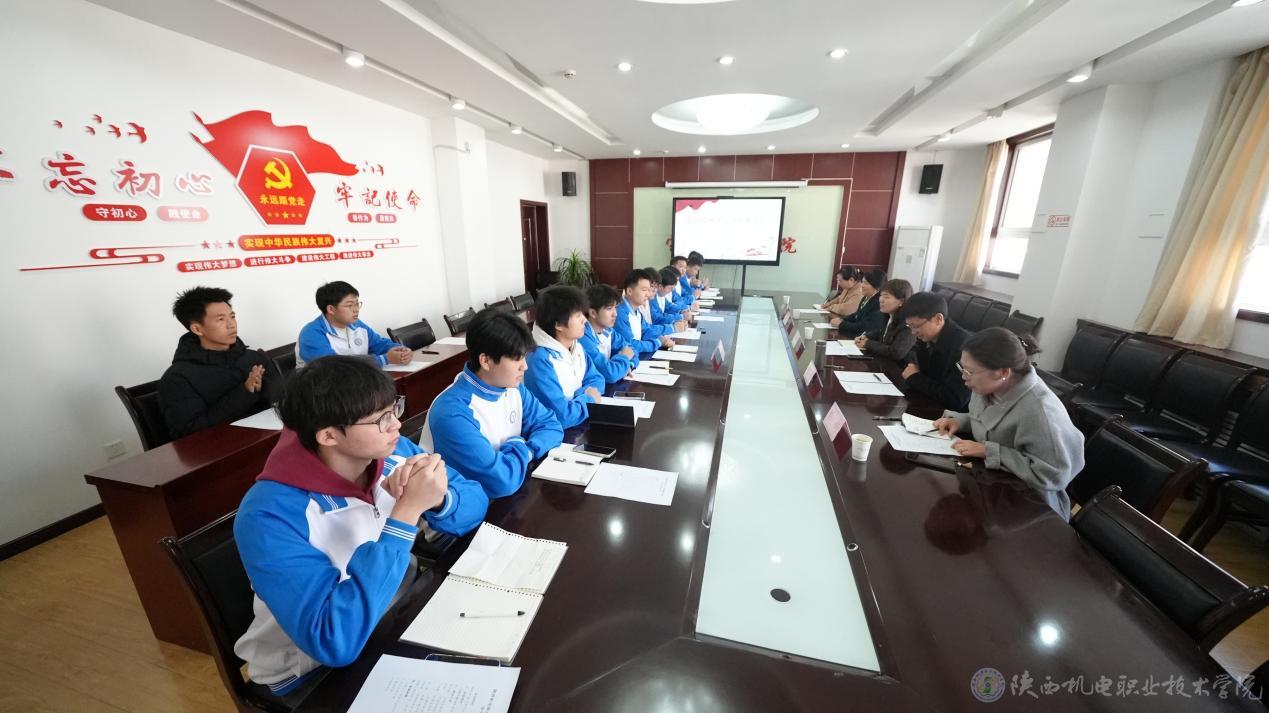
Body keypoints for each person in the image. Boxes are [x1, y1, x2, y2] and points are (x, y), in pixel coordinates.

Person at [233, 356, 488, 702]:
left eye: (394, 408)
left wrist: (440, 499)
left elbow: (475, 499)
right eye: (381, 419)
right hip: (310, 674)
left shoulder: (392, 451)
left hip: (394, 618)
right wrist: (406, 513)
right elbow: (332, 641)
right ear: (328, 435)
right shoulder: (268, 515)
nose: (396, 424)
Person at [932, 328, 1084, 520]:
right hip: (992, 486)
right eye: (962, 368)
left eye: (969, 371)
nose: (963, 376)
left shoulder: (1041, 412)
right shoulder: (986, 386)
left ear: (1003, 372)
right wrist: (959, 421)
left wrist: (989, 451)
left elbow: (1054, 476)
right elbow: (988, 421)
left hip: (1030, 508)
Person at [420, 309, 564, 498]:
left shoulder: (512, 388)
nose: (525, 366)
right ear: (486, 361)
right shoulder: (452, 412)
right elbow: (502, 481)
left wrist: (526, 449)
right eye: (517, 358)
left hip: (506, 495)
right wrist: (520, 444)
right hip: (467, 508)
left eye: (524, 356)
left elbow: (552, 426)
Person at [159, 286, 280, 439]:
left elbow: (284, 399)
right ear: (197, 329)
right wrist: (245, 392)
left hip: (271, 439)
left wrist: (265, 388)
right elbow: (190, 433)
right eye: (221, 319)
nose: (231, 324)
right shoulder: (177, 379)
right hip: (227, 449)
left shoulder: (254, 358)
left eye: (232, 316)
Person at [524, 286, 605, 428]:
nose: (584, 320)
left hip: (580, 422)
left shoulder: (576, 345)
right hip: (556, 434)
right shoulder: (539, 359)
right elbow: (562, 416)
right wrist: (588, 398)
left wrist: (579, 396)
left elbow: (598, 380)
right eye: (578, 315)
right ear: (558, 325)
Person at [297, 281, 413, 367]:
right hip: (320, 388)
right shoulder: (311, 333)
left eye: (357, 304)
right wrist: (384, 359)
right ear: (331, 309)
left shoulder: (357, 324)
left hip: (355, 382)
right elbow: (334, 366)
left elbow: (379, 344)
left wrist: (402, 351)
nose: (356, 309)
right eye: (349, 305)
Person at [899, 292, 972, 411]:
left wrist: (916, 378)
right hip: (928, 403)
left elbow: (956, 399)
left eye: (916, 326)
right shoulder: (926, 337)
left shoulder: (963, 349)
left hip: (951, 416)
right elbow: (911, 358)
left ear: (938, 319)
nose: (913, 332)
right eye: (909, 326)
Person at [581, 283, 639, 384]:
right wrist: (624, 358)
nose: (615, 314)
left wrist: (629, 365)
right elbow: (610, 374)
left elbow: (632, 350)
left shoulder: (608, 330)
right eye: (609, 308)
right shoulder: (583, 337)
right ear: (593, 313)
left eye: (615, 307)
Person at [616, 269, 675, 355]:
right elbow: (629, 345)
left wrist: (662, 339)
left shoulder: (636, 310)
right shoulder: (620, 313)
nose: (648, 294)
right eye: (644, 290)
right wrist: (657, 343)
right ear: (629, 291)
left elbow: (646, 330)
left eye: (648, 290)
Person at [854, 278, 916, 360]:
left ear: (901, 301)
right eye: (881, 295)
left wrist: (868, 343)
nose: (881, 300)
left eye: (886, 297)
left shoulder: (908, 324)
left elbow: (896, 352)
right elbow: (881, 334)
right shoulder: (888, 316)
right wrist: (864, 337)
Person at [835, 269, 887, 338]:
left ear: (876, 286)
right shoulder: (865, 297)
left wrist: (841, 324)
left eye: (866, 283)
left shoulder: (878, 303)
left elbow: (864, 326)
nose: (862, 285)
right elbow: (857, 314)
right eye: (862, 282)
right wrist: (842, 319)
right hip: (856, 335)